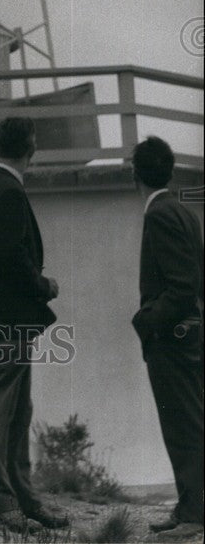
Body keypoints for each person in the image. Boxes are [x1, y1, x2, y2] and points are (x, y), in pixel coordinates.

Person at [0, 117, 67, 531]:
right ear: (32, 147)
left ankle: (21, 496)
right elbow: (8, 254)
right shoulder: (8, 191)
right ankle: (1, 500)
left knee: (16, 411)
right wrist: (43, 284)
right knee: (4, 411)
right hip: (9, 321)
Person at [131, 136, 203, 541]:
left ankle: (194, 513)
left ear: (134, 175)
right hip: (191, 334)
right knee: (191, 421)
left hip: (172, 340)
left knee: (183, 426)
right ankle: (190, 506)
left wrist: (145, 320)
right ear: (170, 170)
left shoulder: (158, 214)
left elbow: (180, 287)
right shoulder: (184, 212)